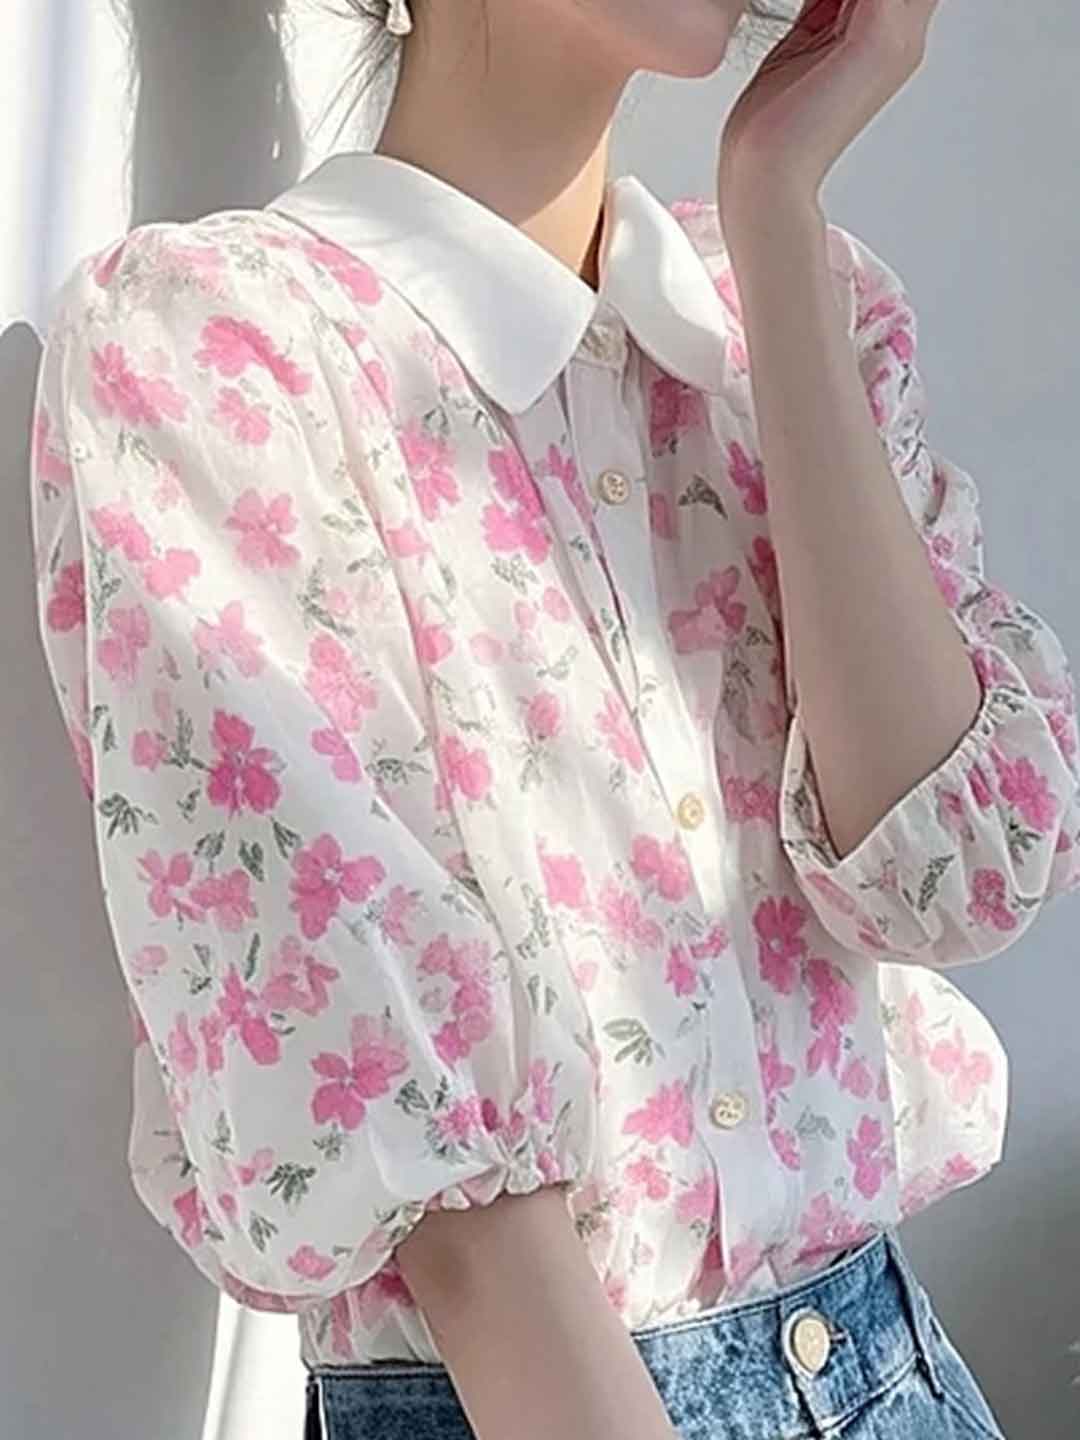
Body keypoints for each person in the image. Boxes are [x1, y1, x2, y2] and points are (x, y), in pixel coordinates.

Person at [28, 0, 1079, 1436]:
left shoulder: (786, 318)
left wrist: (778, 204)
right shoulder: (218, 350)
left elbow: (944, 872)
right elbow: (437, 1184)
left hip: (895, 1373)